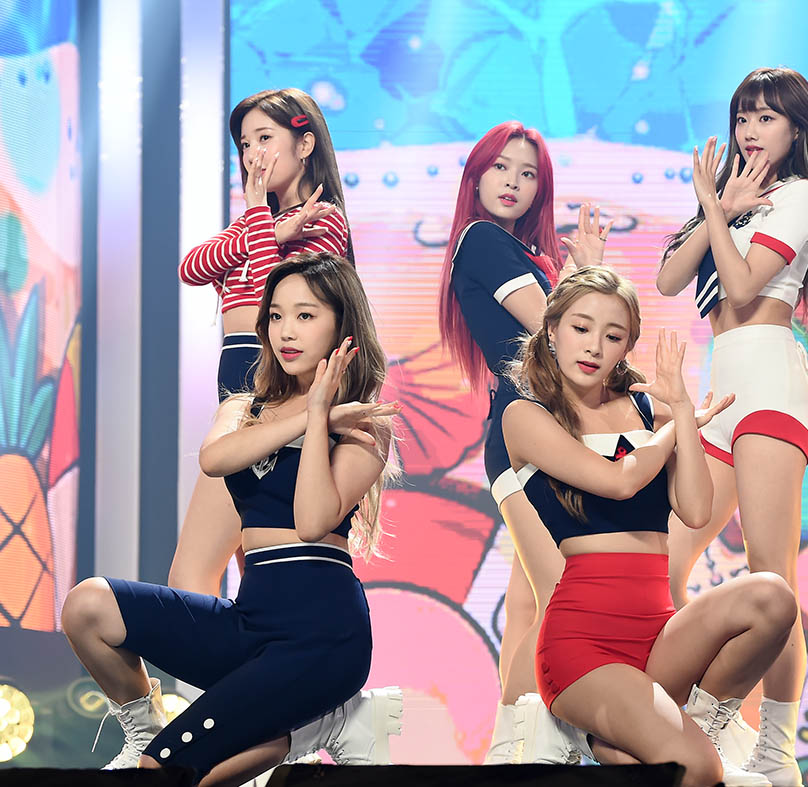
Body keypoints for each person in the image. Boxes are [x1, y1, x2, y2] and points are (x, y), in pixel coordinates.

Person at [63, 254, 400, 784]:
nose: (286, 331)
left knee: (167, 773)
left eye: (306, 316)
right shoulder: (243, 408)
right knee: (87, 606)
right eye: (276, 316)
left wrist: (320, 416)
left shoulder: (363, 426)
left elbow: (312, 521)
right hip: (251, 623)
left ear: (342, 327)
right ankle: (150, 732)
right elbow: (215, 459)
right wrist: (309, 415)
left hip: (322, 638)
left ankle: (313, 724)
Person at [502, 266, 796, 787]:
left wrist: (679, 409)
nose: (594, 346)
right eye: (580, 327)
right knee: (698, 771)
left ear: (627, 347)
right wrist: (674, 430)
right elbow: (617, 482)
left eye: (613, 336)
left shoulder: (644, 408)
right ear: (551, 330)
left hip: (659, 635)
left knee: (772, 597)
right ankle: (619, 738)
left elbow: (696, 510)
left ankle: (674, 733)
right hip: (584, 648)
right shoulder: (525, 415)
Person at [175, 88, 401, 764]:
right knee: (241, 577)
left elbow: (280, 291)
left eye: (265, 138)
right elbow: (193, 267)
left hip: (277, 388)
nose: (252, 154)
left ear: (306, 144)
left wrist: (255, 224)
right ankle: (285, 721)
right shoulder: (260, 222)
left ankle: (213, 727)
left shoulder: (323, 221)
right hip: (241, 385)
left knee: (197, 569)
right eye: (244, 144)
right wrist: (259, 224)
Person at [656, 66, 808, 785]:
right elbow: (670, 279)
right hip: (721, 391)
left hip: (768, 378)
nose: (751, 130)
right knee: (665, 560)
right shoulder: (733, 199)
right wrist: (719, 205)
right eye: (743, 117)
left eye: (767, 117)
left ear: (797, 128)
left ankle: (775, 748)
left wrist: (715, 205)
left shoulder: (801, 197)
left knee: (772, 578)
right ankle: (703, 710)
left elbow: (739, 286)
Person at [437, 120, 607, 762]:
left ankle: (511, 749)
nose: (513, 182)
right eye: (501, 167)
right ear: (476, 175)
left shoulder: (522, 253)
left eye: (528, 173)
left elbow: (570, 338)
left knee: (531, 604)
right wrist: (591, 275)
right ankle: (534, 748)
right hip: (530, 433)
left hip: (542, 429)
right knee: (560, 598)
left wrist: (582, 271)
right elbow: (558, 336)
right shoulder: (483, 240)